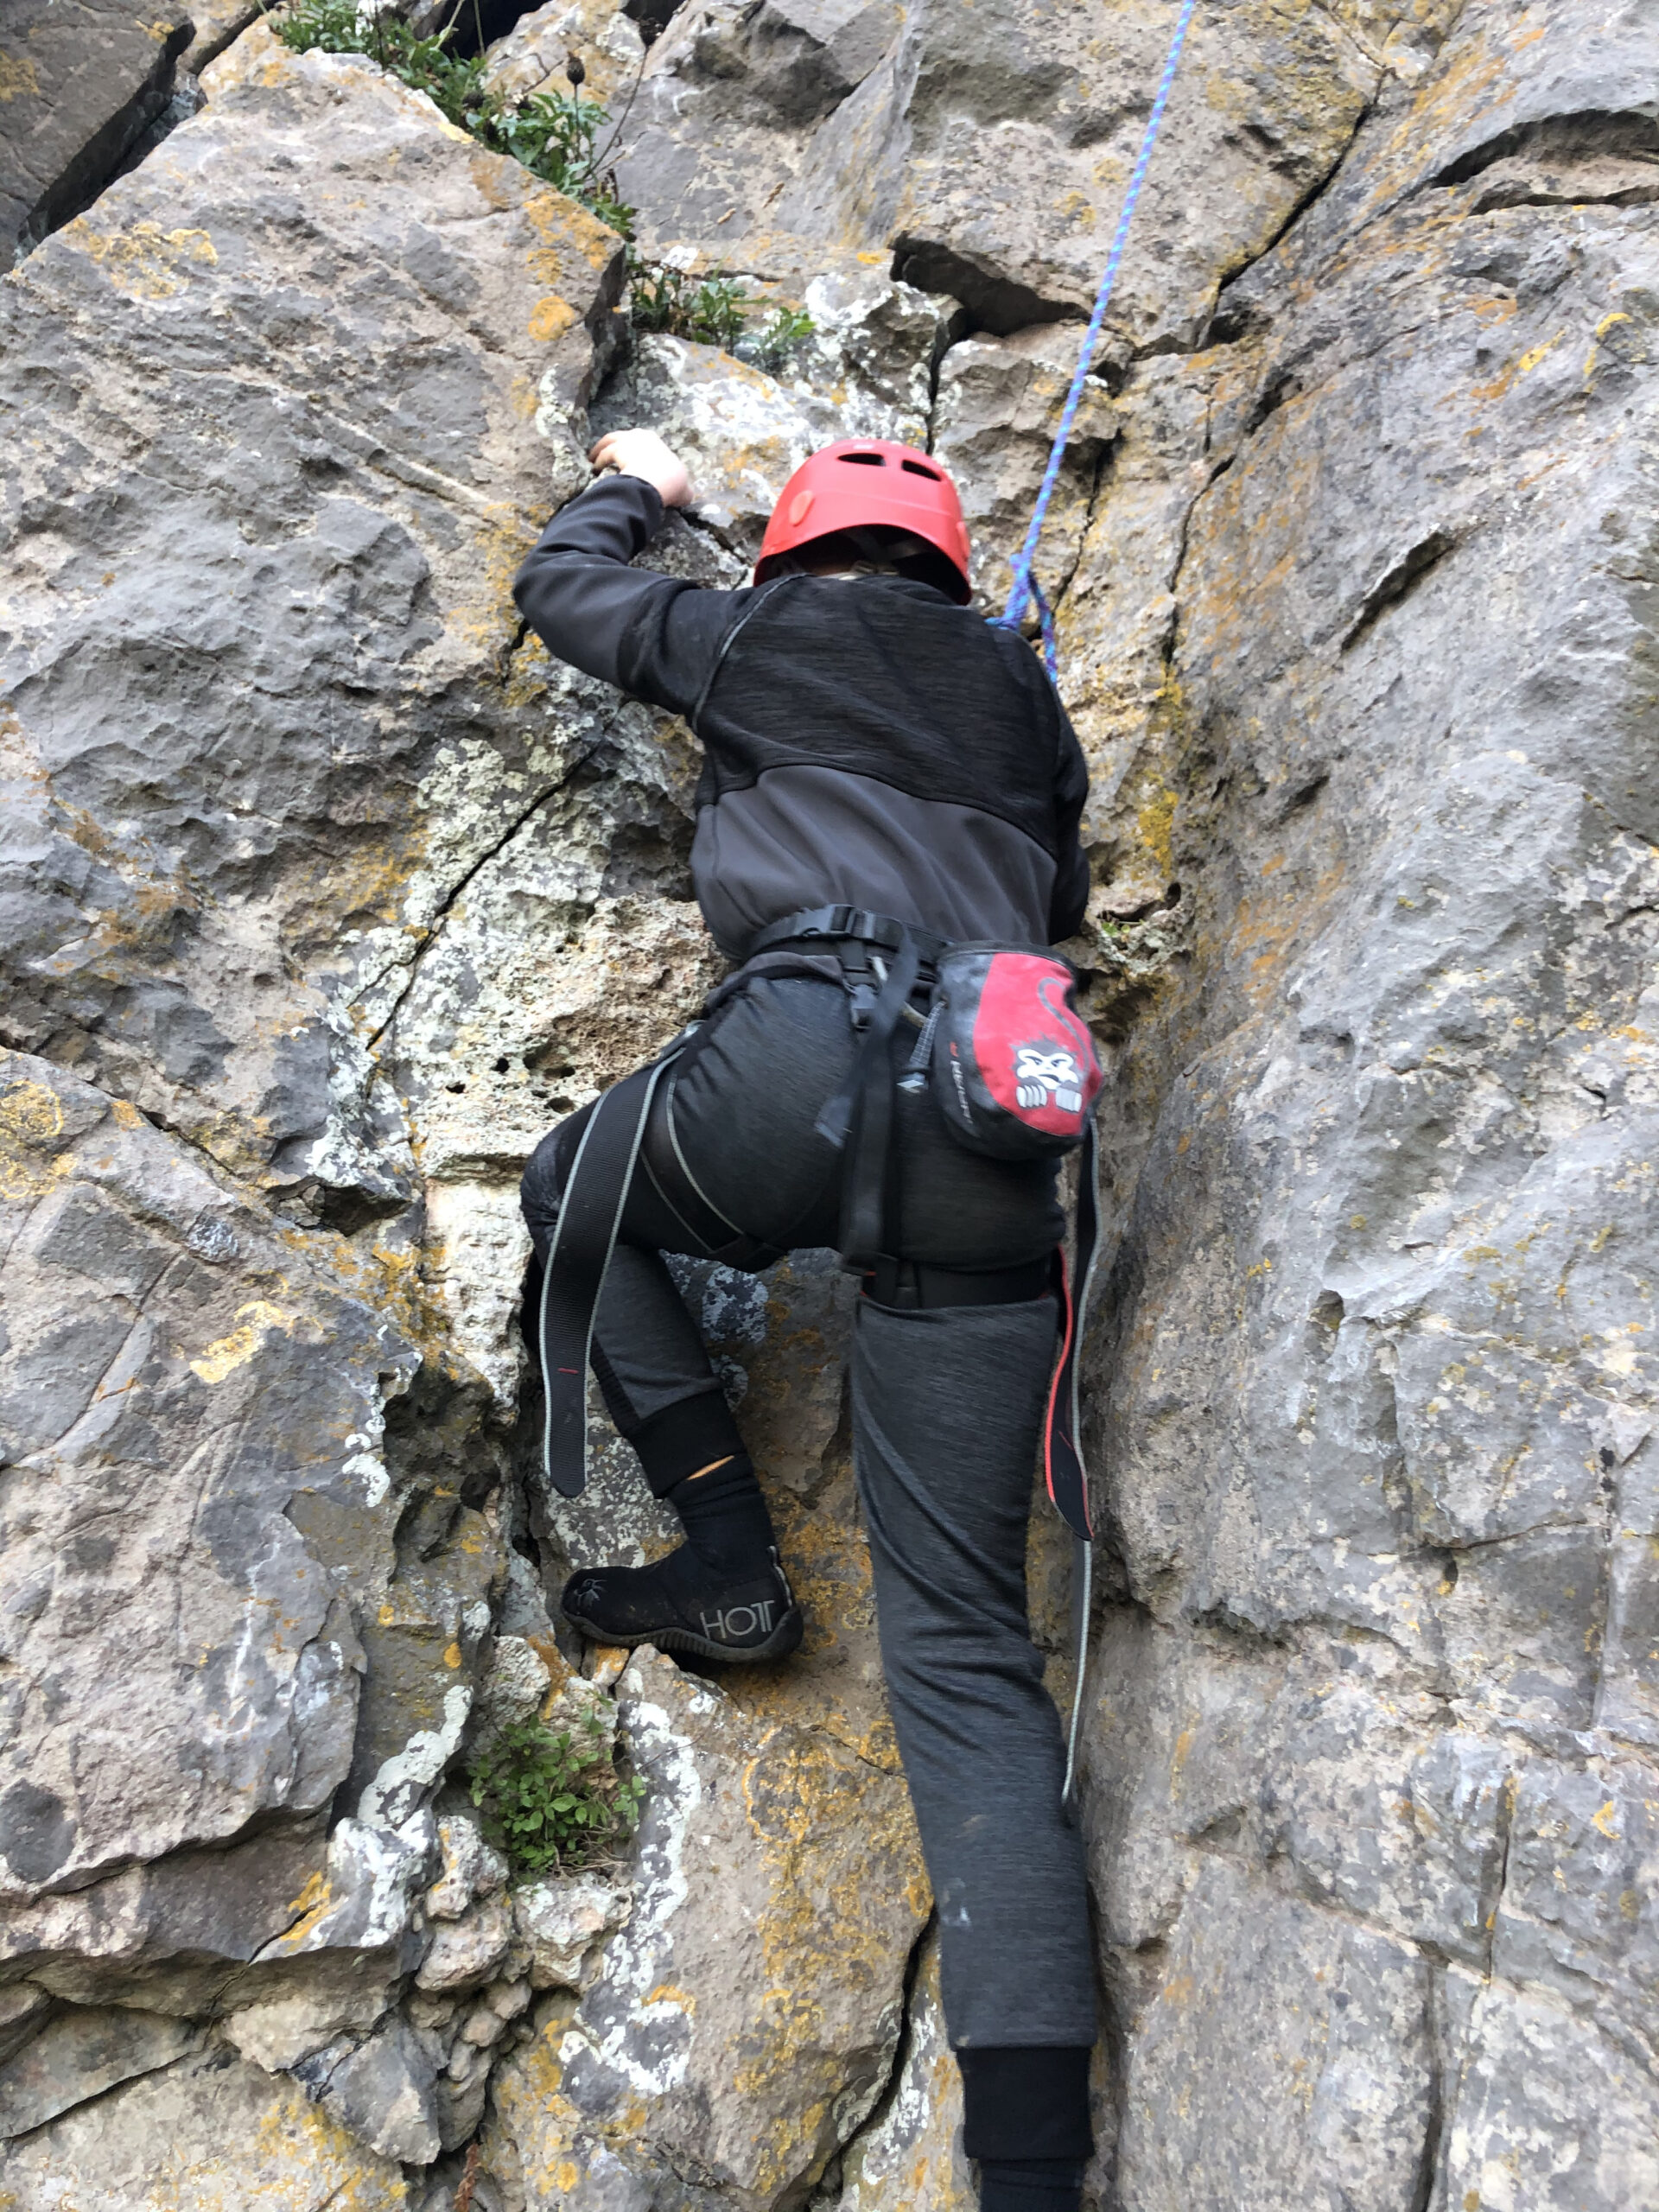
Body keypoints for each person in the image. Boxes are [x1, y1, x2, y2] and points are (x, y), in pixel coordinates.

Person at [514, 426, 1097, 2212]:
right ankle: (1028, 2181)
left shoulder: (758, 637)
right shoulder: (1025, 698)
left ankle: (723, 1559)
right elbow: (1056, 904)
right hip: (997, 1132)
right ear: (940, 562)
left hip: (795, 1060)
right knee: (966, 1651)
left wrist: (641, 486)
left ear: (791, 560)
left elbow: (565, 592)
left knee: (573, 1203)